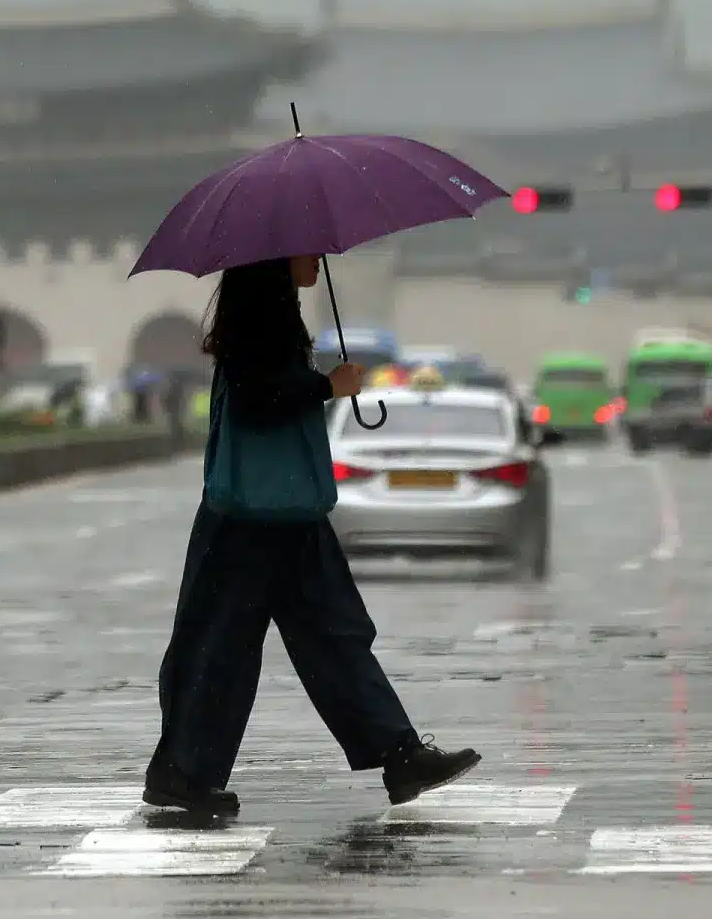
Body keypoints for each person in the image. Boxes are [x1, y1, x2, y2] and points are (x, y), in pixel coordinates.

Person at [146, 254, 480, 816]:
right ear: (275, 260)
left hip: (288, 514)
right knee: (219, 648)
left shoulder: (275, 319)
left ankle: (399, 754)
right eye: (308, 248)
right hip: (249, 520)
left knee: (335, 638)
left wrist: (321, 383)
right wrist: (326, 385)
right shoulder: (259, 324)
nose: (318, 259)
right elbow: (259, 399)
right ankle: (181, 771)